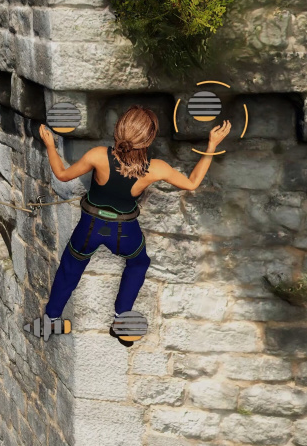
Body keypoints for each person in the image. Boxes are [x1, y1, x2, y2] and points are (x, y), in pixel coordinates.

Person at [36, 105, 231, 346]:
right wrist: (211, 145)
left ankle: (51, 318)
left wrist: (50, 145)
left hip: (90, 227)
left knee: (70, 265)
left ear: (119, 129)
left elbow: (62, 174)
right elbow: (192, 183)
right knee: (138, 263)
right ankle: (121, 318)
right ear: (149, 138)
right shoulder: (156, 168)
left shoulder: (98, 155)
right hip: (125, 232)